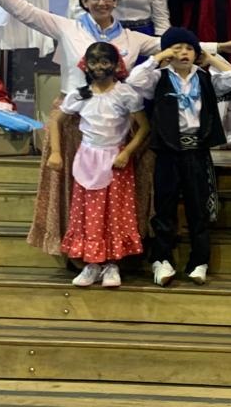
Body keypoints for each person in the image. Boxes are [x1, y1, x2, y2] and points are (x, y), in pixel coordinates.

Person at [0, 0, 231, 258]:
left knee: (117, 190)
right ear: (84, 1)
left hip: (118, 125)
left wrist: (219, 47)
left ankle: (116, 253)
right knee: (77, 191)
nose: (101, 2)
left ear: (115, 1)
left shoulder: (132, 38)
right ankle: (79, 253)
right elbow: (20, 8)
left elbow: (176, 46)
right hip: (73, 123)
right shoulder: (67, 27)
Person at [126, 28, 231, 286]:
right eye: (177, 48)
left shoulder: (205, 77)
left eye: (189, 48)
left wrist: (210, 58)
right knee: (165, 208)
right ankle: (162, 260)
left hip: (196, 151)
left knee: (198, 208)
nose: (184, 53)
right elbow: (134, 79)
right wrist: (159, 57)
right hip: (168, 151)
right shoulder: (158, 78)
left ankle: (199, 262)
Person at [50, 42, 149, 288]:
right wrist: (56, 153)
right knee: (88, 212)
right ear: (86, 65)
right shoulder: (79, 95)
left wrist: (127, 152)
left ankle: (112, 264)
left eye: (105, 62)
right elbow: (56, 121)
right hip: (87, 160)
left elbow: (144, 127)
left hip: (115, 161)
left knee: (115, 212)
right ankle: (92, 263)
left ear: (115, 65)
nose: (99, 67)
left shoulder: (126, 94)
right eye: (94, 62)